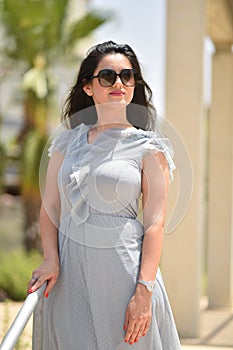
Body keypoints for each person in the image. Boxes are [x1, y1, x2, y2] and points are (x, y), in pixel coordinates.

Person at [28, 41, 181, 349]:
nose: (119, 83)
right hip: (69, 276)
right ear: (88, 87)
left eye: (127, 76)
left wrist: (144, 290)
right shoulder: (65, 143)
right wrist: (50, 259)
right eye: (108, 76)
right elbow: (50, 209)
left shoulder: (149, 148)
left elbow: (154, 224)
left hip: (124, 274)